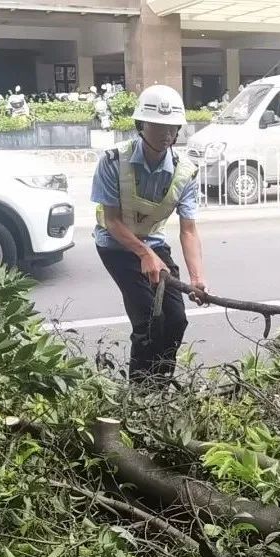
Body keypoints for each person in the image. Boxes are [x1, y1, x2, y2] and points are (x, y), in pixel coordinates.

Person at [91, 85, 208, 384]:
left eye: (172, 127)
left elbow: (189, 230)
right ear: (141, 125)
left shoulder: (185, 172)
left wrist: (196, 279)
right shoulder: (113, 162)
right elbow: (112, 220)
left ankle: (160, 386)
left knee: (177, 319)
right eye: (158, 126)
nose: (166, 134)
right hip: (116, 245)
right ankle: (140, 394)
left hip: (153, 244)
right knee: (147, 320)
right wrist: (144, 254)